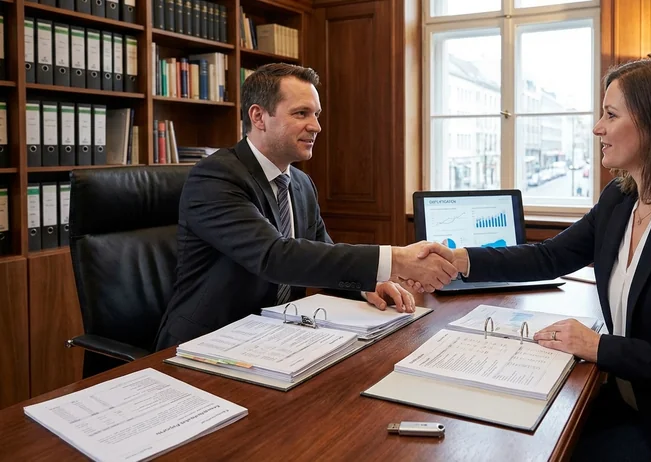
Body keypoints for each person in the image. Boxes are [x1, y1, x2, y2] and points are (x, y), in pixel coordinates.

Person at [415, 58, 651, 461]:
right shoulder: (620, 200)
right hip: (632, 401)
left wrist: (600, 347)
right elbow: (549, 256)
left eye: (610, 114)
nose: (597, 128)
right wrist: (460, 258)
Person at [154, 63, 457, 350]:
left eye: (316, 114)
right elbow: (276, 257)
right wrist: (397, 259)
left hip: (276, 336)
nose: (316, 126)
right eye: (301, 113)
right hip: (207, 343)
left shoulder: (299, 183)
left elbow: (319, 253)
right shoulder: (215, 177)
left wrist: (368, 286)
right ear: (259, 117)